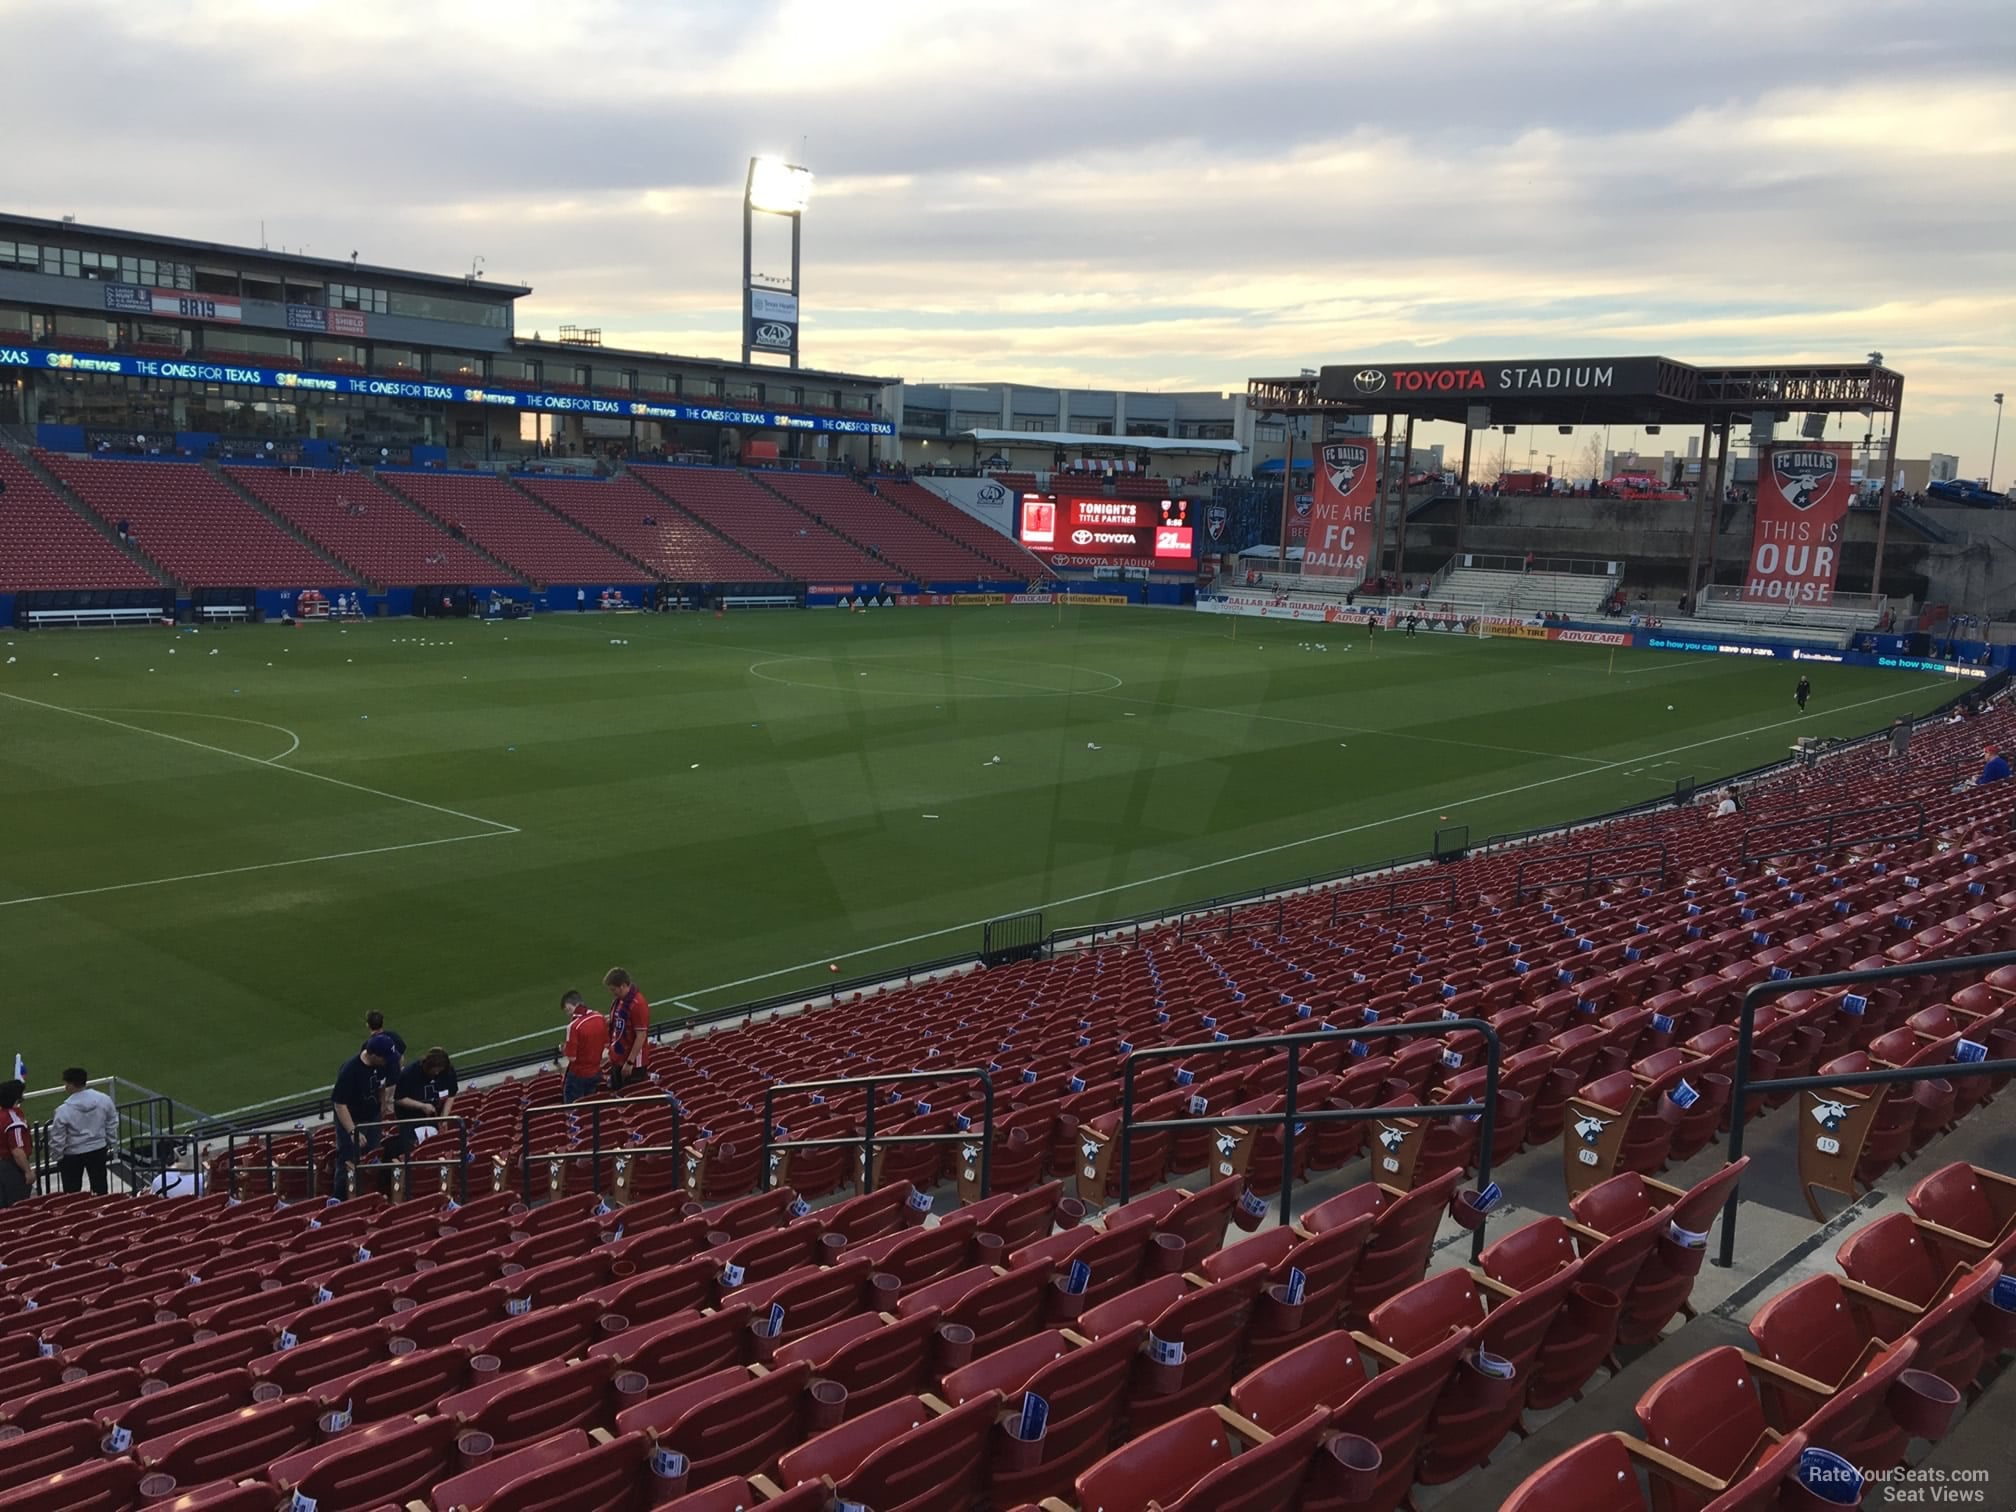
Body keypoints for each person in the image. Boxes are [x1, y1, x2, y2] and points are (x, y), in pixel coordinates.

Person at [331, 1034, 399, 1198]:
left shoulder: (384, 1064)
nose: (388, 1061)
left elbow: (381, 1084)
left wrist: (382, 1104)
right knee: (348, 1159)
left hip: (373, 1116)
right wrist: (353, 1131)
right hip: (352, 1120)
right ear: (373, 1055)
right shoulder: (350, 1070)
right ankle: (339, 1198)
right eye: (385, 1057)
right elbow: (340, 1104)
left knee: (372, 1156)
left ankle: (365, 1193)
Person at [49, 1068, 117, 1195]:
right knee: (100, 1187)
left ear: (69, 1085)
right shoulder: (104, 1099)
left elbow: (58, 1137)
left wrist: (57, 1156)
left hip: (72, 1154)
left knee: (72, 1192)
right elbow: (112, 1122)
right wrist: (109, 1141)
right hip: (98, 1149)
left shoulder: (63, 1110)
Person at [605, 968, 651, 1090]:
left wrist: (630, 1063)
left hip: (632, 1063)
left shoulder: (638, 1004)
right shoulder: (620, 1000)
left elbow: (641, 1035)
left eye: (614, 990)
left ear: (623, 986)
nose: (613, 993)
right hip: (618, 1057)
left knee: (629, 1096)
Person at [560, 991, 608, 1103]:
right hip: (595, 1071)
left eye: (568, 1010)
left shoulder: (573, 1026)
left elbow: (572, 1058)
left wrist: (564, 1050)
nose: (569, 1014)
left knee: (572, 1107)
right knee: (589, 1104)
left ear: (572, 1005)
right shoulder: (599, 1017)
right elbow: (606, 1043)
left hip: (578, 1074)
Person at [0, 1081, 29, 1208]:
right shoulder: (13, 1121)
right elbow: (17, 1150)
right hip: (11, 1167)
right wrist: (28, 1171)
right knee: (17, 1205)